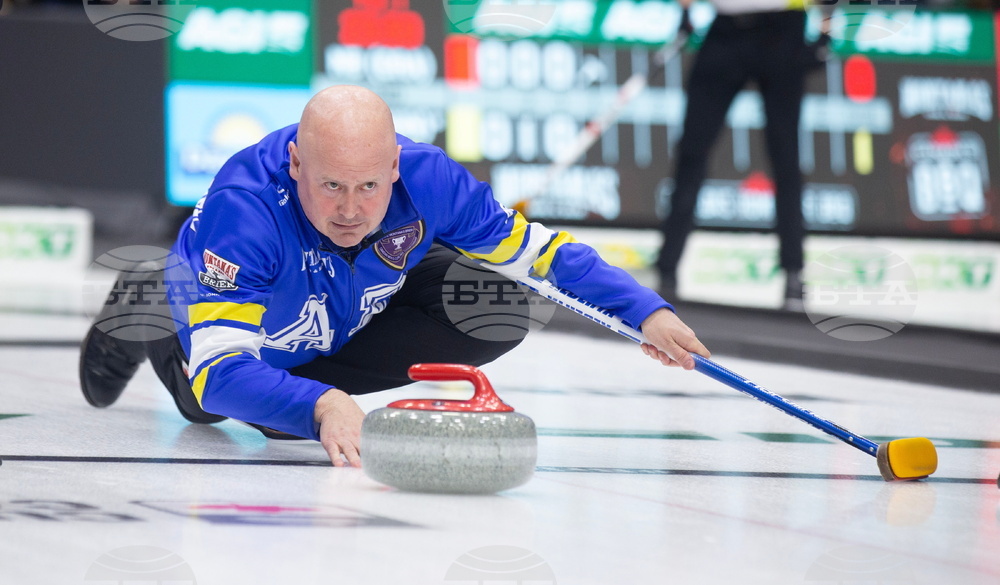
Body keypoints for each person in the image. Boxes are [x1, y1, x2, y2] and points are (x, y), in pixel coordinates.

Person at [80, 85, 710, 467]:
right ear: (295, 163)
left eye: (370, 186)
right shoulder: (244, 212)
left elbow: (540, 256)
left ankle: (298, 392)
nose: (351, 209)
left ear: (396, 165)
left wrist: (643, 312)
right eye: (330, 185)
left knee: (497, 303)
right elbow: (220, 378)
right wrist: (323, 405)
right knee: (205, 408)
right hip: (243, 304)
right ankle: (146, 293)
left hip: (359, 292)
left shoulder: (430, 177)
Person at [656, 0, 824, 310]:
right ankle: (665, 270)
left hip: (783, 28)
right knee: (692, 151)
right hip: (725, 29)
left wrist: (825, 34)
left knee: (785, 155)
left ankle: (793, 273)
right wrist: (685, 12)